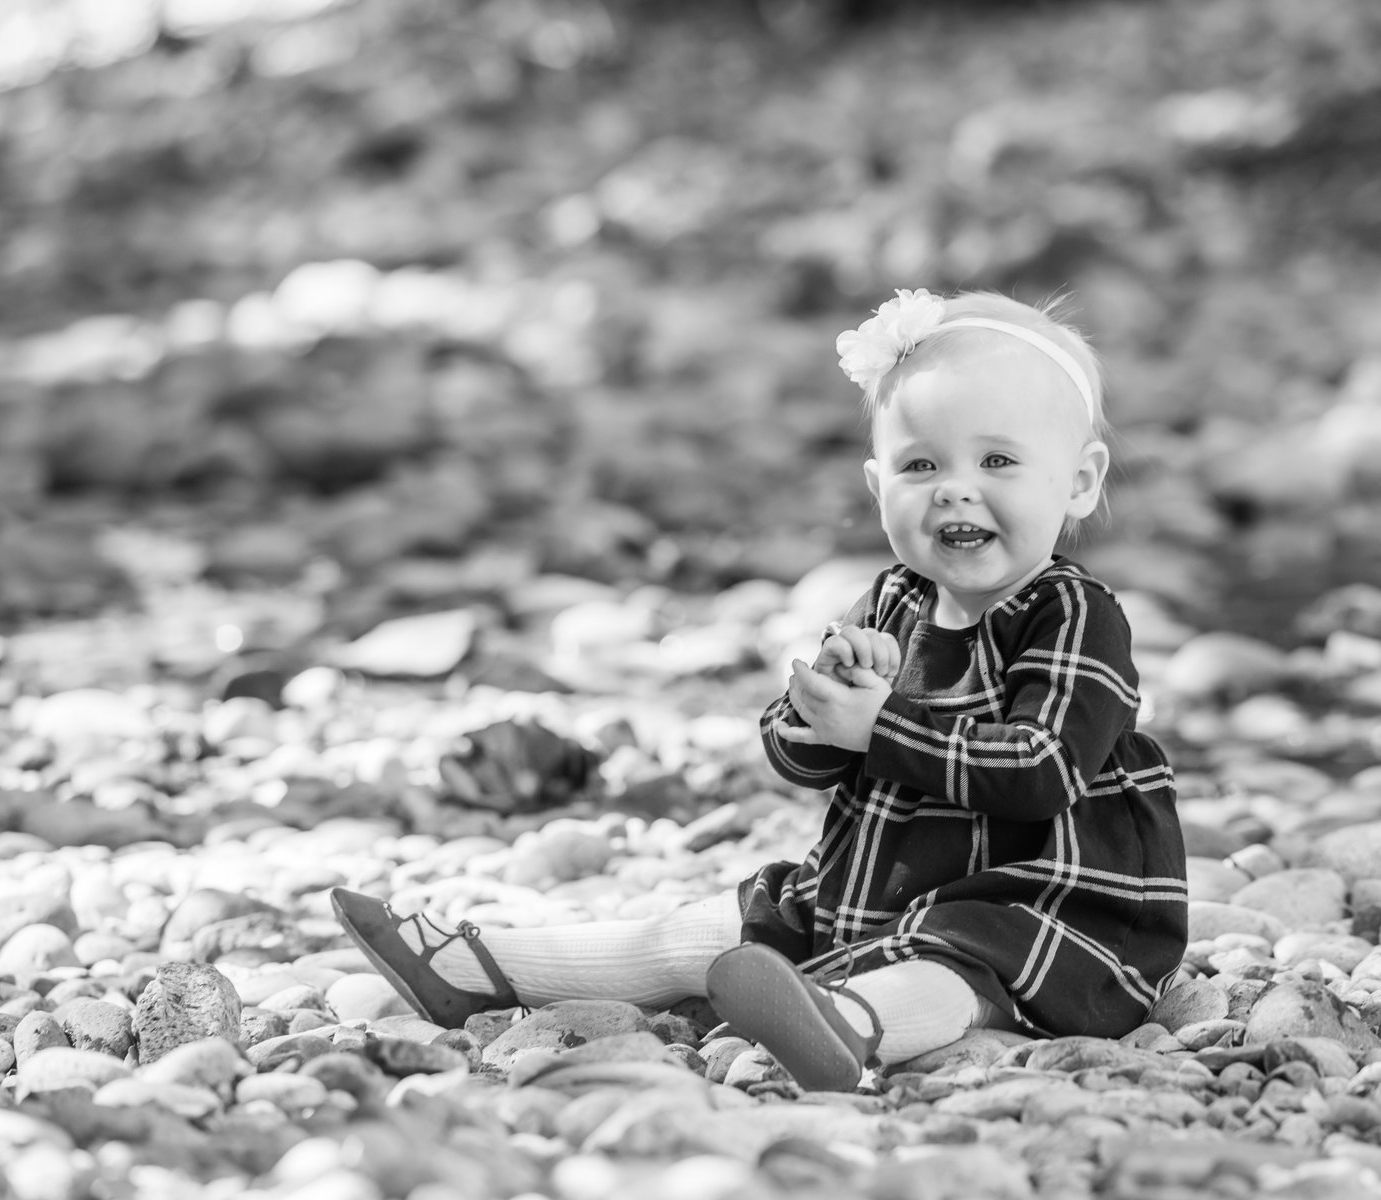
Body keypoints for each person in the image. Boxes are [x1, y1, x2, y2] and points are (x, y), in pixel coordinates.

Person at [330, 287, 1187, 1091]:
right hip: (882, 889)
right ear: (877, 487)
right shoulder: (894, 600)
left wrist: (880, 727)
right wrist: (820, 713)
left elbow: (1041, 769)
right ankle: (485, 967)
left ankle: (844, 1024)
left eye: (997, 460)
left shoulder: (1071, 612)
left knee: (954, 958)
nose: (955, 488)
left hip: (1039, 906)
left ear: (1079, 482)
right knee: (720, 924)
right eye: (920, 465)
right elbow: (797, 755)